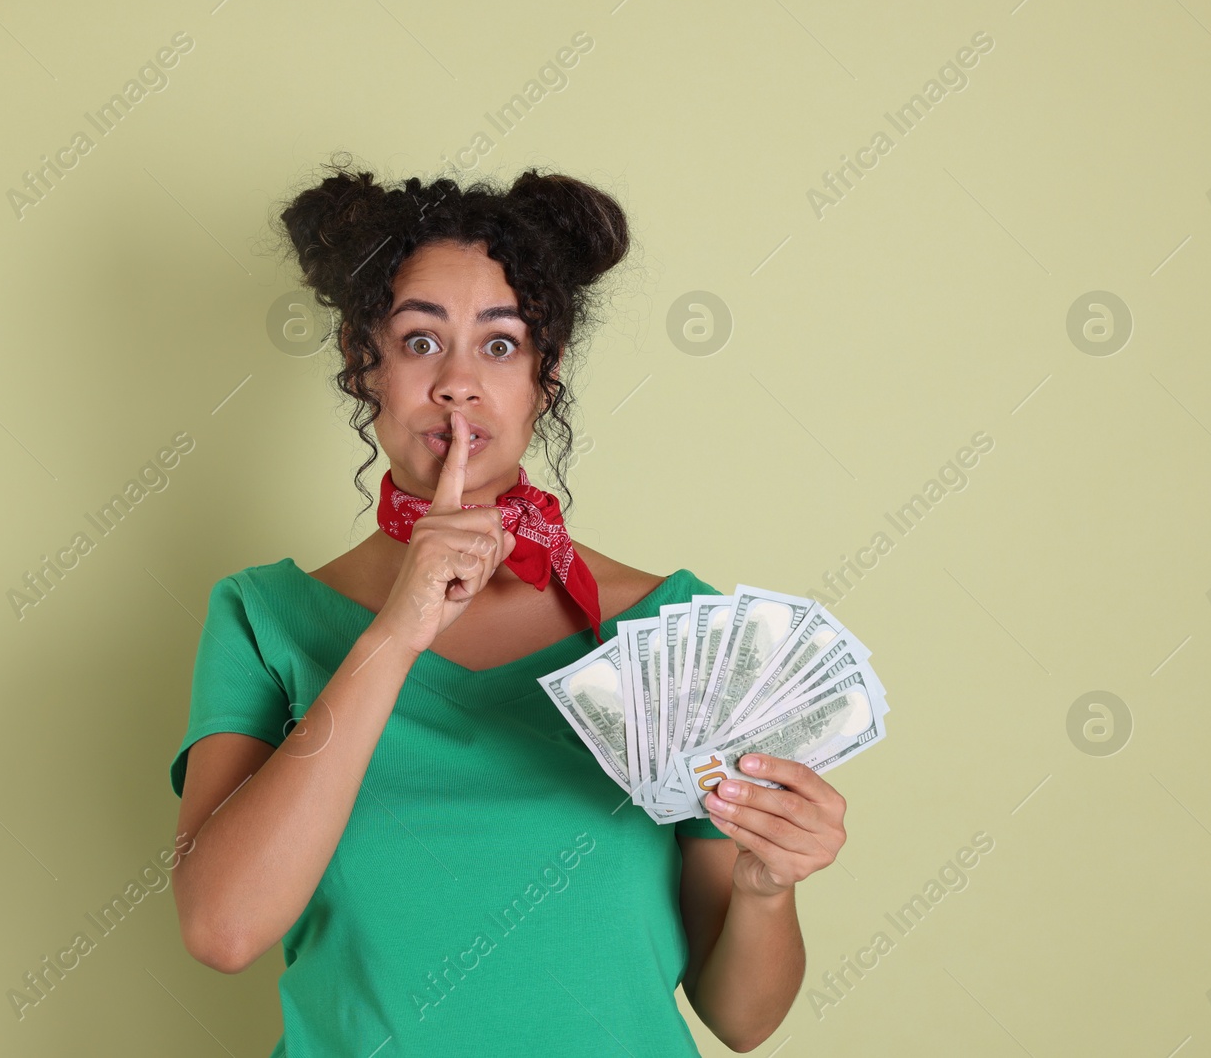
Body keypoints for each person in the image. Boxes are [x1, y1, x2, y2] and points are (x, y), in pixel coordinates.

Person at [168, 158, 849, 1055]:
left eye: (499, 344)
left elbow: (742, 1019)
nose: (457, 382)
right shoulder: (265, 617)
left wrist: (767, 885)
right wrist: (397, 631)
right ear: (360, 362)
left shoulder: (673, 628)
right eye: (418, 342)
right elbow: (222, 929)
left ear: (544, 373)